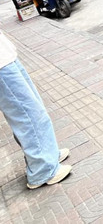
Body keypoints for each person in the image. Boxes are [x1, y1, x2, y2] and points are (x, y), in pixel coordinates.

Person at [0, 29, 71, 189]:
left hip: (5, 56)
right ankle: (42, 170)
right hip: (2, 66)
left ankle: (48, 155)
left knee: (32, 109)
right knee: (27, 114)